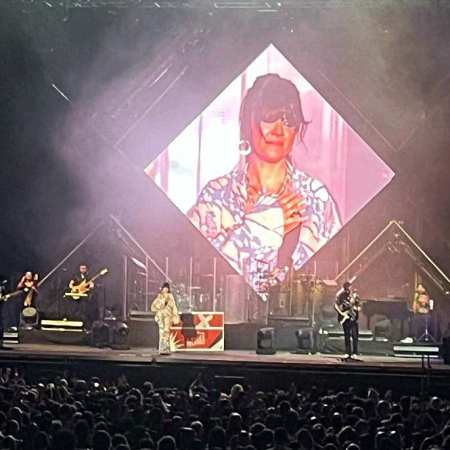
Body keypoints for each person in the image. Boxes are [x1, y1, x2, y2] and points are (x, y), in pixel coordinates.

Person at [188, 74, 341, 297]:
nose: (278, 130)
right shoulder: (216, 197)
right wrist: (263, 224)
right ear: (248, 122)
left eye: (288, 121)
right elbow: (199, 280)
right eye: (269, 118)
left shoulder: (317, 199)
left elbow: (335, 278)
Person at [65, 264, 98, 329]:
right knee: (74, 310)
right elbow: (70, 285)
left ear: (86, 269)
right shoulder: (75, 276)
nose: (83, 270)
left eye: (84, 268)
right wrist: (75, 288)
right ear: (79, 269)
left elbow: (91, 286)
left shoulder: (88, 277)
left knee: (85, 311)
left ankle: (86, 326)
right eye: (82, 268)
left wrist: (91, 286)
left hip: (85, 297)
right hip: (76, 295)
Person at [151, 282, 179, 355]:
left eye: (167, 288)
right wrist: (160, 305)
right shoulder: (159, 297)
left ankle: (166, 349)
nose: (165, 289)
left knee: (166, 331)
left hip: (168, 316)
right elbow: (153, 307)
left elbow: (174, 307)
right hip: (160, 316)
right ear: (162, 289)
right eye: (164, 288)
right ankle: (161, 349)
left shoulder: (170, 297)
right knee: (161, 332)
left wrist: (175, 316)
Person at [335, 281, 360, 359]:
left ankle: (355, 352)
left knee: (355, 335)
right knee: (347, 335)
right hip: (345, 317)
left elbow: (359, 306)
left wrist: (356, 309)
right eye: (346, 288)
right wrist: (341, 313)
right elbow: (336, 305)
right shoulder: (341, 295)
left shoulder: (355, 296)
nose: (348, 290)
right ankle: (347, 352)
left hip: (353, 317)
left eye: (349, 288)